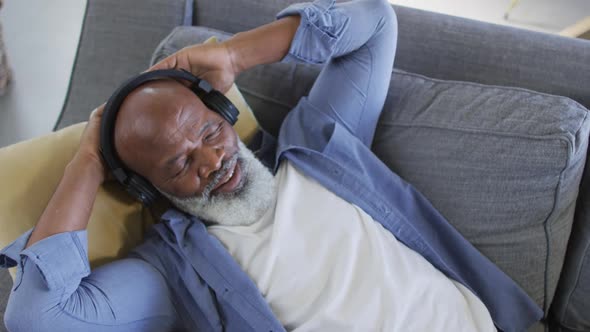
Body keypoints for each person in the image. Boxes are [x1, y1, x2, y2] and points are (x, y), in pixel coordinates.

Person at [1, 0, 542, 331]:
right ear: (148, 190)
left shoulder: (319, 146)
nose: (214, 159)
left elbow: (373, 21)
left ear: (224, 111)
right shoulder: (176, 272)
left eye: (211, 132)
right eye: (181, 163)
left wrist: (237, 54)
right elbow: (37, 319)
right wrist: (90, 159)